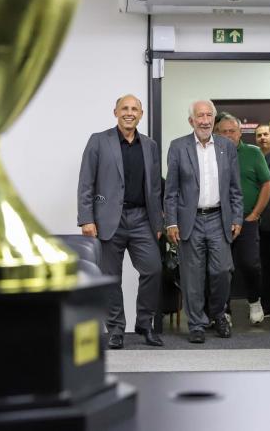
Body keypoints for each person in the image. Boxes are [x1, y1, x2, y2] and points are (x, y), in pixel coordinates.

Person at [77, 94, 164, 349]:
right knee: (110, 277)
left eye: (134, 109)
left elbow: (155, 188)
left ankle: (144, 324)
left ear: (141, 114)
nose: (129, 112)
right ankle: (115, 329)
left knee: (153, 269)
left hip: (141, 219)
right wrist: (86, 219)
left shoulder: (149, 145)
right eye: (124, 108)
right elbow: (86, 182)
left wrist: (158, 222)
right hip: (107, 220)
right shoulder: (98, 141)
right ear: (115, 112)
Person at [164, 100, 243, 343]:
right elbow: (171, 190)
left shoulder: (226, 147)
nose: (205, 120)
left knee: (221, 271)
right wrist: (171, 222)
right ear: (191, 120)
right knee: (192, 276)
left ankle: (218, 314)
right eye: (200, 116)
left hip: (220, 218)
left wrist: (238, 216)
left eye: (209, 115)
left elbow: (235, 188)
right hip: (191, 221)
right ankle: (196, 324)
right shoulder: (178, 147)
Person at [215, 114, 270, 325]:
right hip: (217, 221)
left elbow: (267, 185)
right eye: (223, 131)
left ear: (240, 132)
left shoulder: (253, 153)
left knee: (250, 264)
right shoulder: (211, 153)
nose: (228, 135)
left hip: (247, 220)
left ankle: (254, 301)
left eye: (232, 131)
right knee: (221, 268)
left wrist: (255, 214)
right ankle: (224, 309)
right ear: (216, 133)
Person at [254, 122, 270, 315]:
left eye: (265, 134)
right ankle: (267, 305)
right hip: (261, 224)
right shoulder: (255, 158)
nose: (262, 138)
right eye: (259, 135)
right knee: (264, 266)